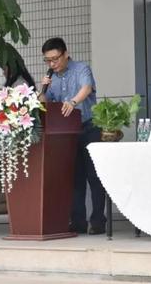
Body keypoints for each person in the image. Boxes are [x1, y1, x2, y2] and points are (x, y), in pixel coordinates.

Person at [38, 37, 105, 235]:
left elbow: (86, 88)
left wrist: (73, 102)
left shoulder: (81, 69)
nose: (52, 64)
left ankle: (98, 222)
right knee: (75, 178)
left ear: (65, 54)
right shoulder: (52, 78)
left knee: (94, 177)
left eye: (55, 58)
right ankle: (78, 222)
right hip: (68, 133)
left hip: (90, 127)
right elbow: (45, 103)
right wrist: (43, 90)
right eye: (48, 60)